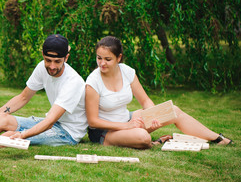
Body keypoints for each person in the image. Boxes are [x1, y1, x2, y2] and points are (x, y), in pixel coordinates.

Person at [85, 36, 233, 149]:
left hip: (128, 119)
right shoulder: (93, 82)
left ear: (119, 58)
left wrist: (153, 116)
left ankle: (217, 139)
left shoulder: (127, 72)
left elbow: (145, 101)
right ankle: (152, 142)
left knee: (172, 110)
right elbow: (93, 121)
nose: (102, 63)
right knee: (143, 136)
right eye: (99, 58)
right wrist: (126, 126)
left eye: (107, 59)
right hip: (105, 131)